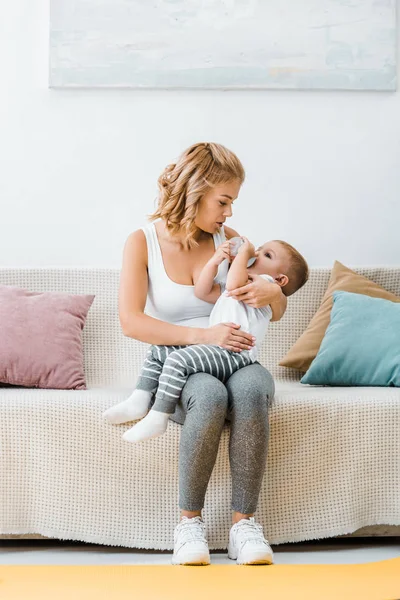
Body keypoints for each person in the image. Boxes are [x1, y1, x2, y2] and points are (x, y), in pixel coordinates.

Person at [106, 142, 288, 566]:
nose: (229, 213)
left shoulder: (233, 243)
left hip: (238, 358)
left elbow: (270, 306)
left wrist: (275, 294)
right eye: (223, 201)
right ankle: (189, 524)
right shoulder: (142, 241)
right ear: (195, 190)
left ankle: (244, 525)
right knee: (208, 396)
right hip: (184, 364)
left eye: (232, 203)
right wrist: (203, 335)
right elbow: (131, 322)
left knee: (255, 387)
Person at [104, 236, 308, 444]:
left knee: (178, 360)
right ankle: (140, 397)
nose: (256, 253)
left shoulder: (264, 284)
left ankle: (159, 416)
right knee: (159, 350)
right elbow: (202, 291)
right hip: (218, 346)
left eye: (267, 254)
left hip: (235, 353)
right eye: (260, 248)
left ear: (280, 279)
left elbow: (234, 282)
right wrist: (215, 260)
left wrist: (243, 255)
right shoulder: (238, 286)